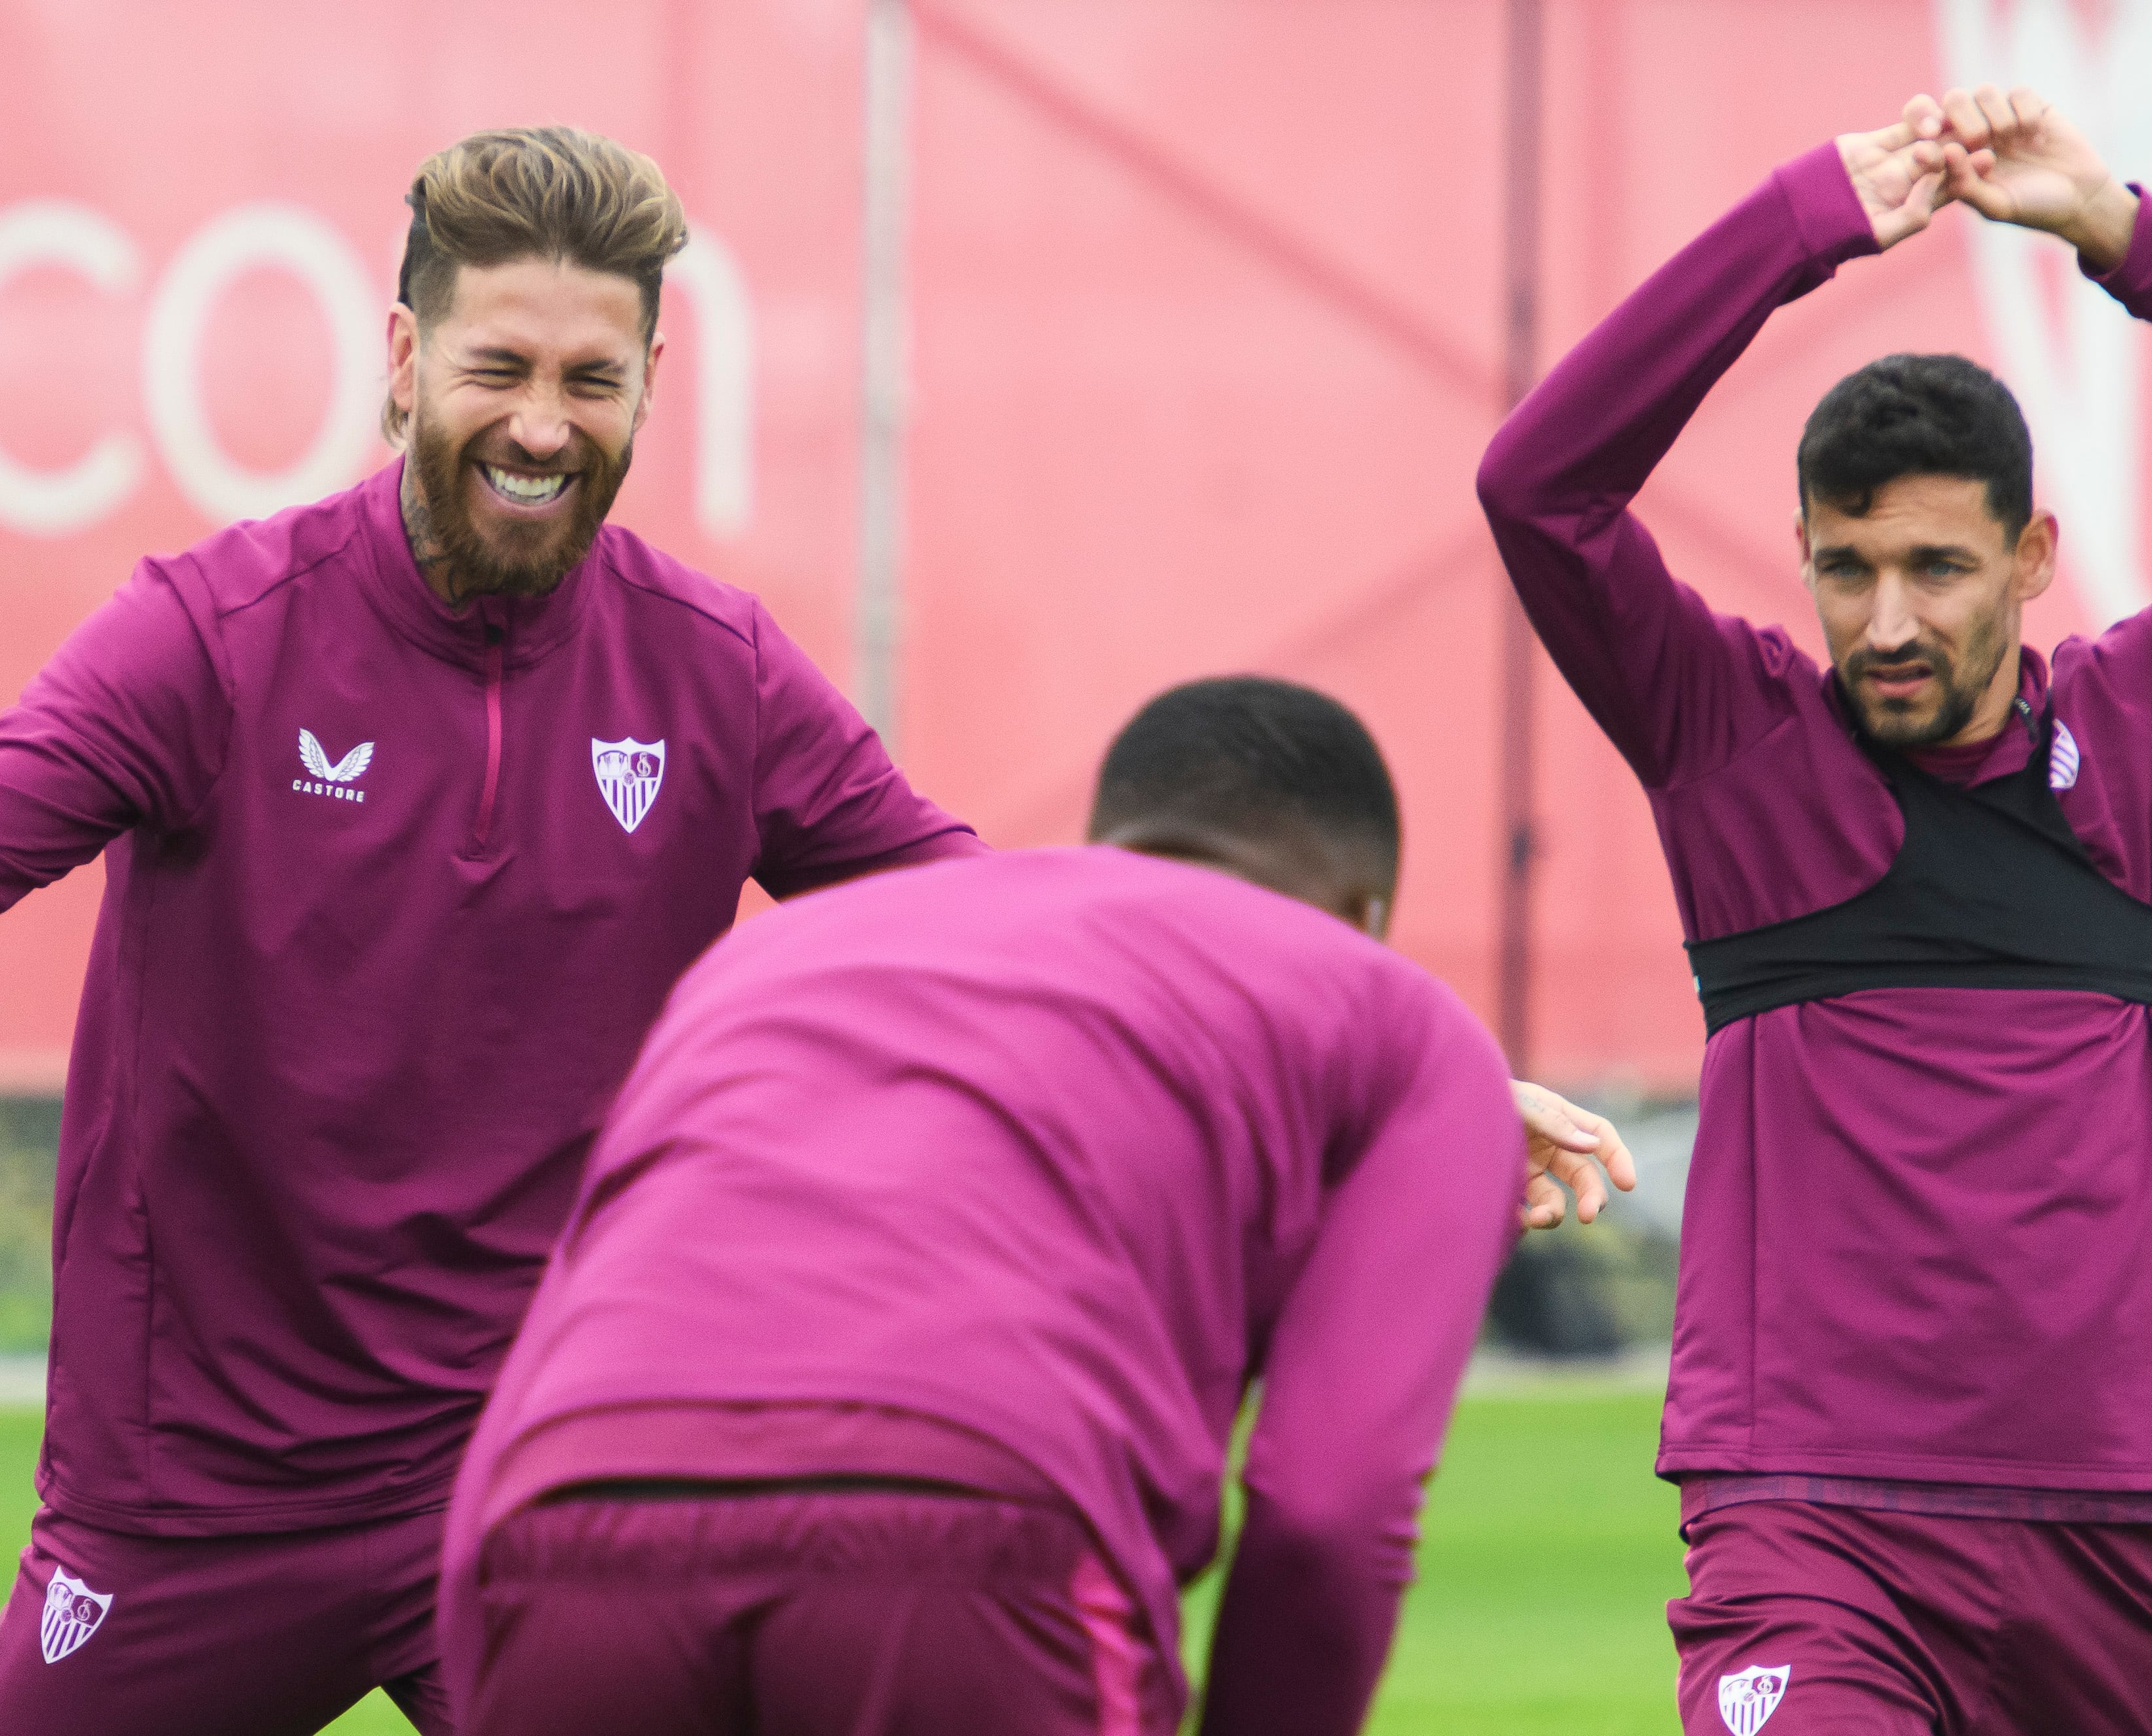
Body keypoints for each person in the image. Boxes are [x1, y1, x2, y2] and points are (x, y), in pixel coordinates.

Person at [0, 127, 986, 1736]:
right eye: (498, 366)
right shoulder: (210, 638)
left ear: (651, 378)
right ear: (402, 354)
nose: (540, 424)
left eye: (591, 379)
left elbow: (982, 938)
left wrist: (1271, 1051)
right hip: (197, 1496)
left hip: (542, 1483)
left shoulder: (718, 674)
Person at [1477, 87, 2152, 1734]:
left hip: (2104, 1534)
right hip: (1806, 1524)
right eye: (1844, 568)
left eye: (1935, 570)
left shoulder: (2150, 728)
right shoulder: (1726, 743)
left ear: (2030, 555)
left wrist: (2116, 231)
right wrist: (1795, 227)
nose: (1883, 621)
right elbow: (1538, 486)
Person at [434, 676, 1638, 1736]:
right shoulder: (1396, 1014)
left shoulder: (768, 958)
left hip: (557, 1527)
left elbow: (573, 1315)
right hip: (970, 1540)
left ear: (1107, 841)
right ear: (1369, 911)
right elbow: (1331, 1507)